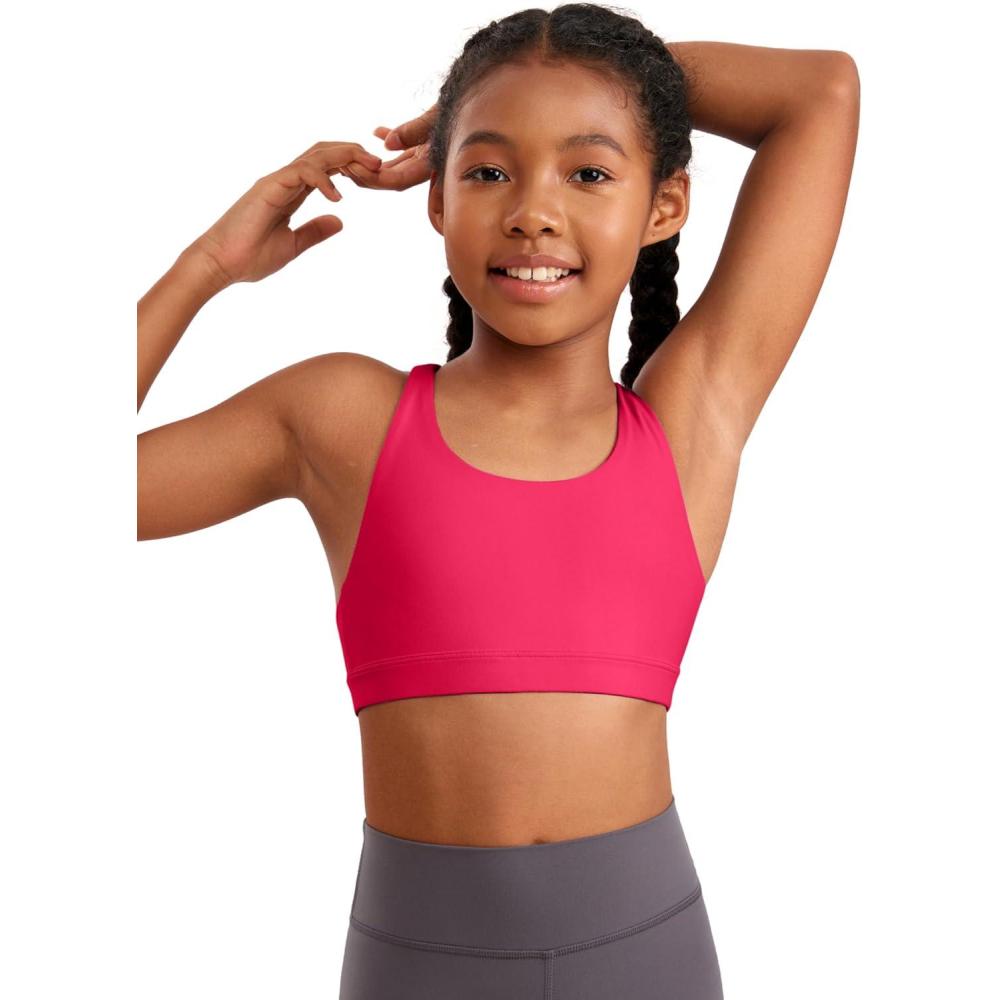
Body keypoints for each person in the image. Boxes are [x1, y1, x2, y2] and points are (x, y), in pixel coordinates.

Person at [137, 5, 860, 997]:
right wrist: (205, 269)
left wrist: (575, 82)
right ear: (436, 199)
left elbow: (821, 93)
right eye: (487, 171)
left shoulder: (688, 425)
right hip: (414, 965)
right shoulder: (344, 420)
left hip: (645, 957)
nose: (532, 211)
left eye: (588, 172)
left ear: (664, 206)